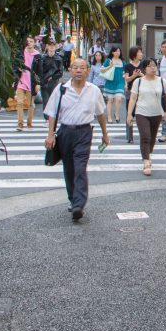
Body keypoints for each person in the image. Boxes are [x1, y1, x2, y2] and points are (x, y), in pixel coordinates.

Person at [43, 58, 109, 222]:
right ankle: (73, 200)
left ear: (88, 71)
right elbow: (52, 113)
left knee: (80, 166)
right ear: (70, 70)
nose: (79, 70)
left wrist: (104, 133)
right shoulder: (61, 89)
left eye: (82, 68)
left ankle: (79, 203)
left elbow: (100, 114)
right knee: (69, 168)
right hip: (65, 131)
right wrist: (51, 135)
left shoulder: (94, 90)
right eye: (75, 67)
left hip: (84, 132)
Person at [127, 58, 166, 176]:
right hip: (141, 112)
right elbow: (132, 98)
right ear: (144, 69)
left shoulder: (162, 81)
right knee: (145, 136)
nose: (153, 68)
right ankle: (146, 162)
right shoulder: (139, 82)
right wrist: (129, 114)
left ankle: (147, 153)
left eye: (154, 66)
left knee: (152, 139)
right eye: (150, 66)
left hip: (157, 113)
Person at [14, 35, 39, 131]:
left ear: (34, 43)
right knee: (19, 103)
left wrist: (38, 83)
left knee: (30, 104)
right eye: (27, 41)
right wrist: (17, 69)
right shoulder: (20, 53)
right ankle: (20, 124)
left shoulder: (37, 55)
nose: (29, 43)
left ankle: (29, 123)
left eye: (31, 41)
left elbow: (39, 70)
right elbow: (14, 65)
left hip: (31, 82)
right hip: (21, 81)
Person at [123, 46, 147, 143]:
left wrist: (140, 74)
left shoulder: (144, 65)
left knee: (142, 114)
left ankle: (144, 135)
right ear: (134, 54)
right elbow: (127, 79)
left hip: (143, 92)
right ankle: (130, 136)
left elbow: (148, 77)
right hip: (131, 92)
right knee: (130, 114)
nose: (141, 54)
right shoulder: (128, 66)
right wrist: (134, 75)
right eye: (139, 52)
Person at [33, 39, 65, 109]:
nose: (51, 47)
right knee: (46, 102)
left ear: (56, 46)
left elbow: (60, 72)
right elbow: (39, 71)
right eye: (50, 45)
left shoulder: (58, 59)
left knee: (53, 102)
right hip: (44, 83)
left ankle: (51, 119)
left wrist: (52, 77)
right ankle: (47, 119)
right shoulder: (42, 58)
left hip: (53, 83)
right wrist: (39, 82)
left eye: (53, 45)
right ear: (47, 46)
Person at [102, 46, 126, 123]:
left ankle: (116, 114)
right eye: (116, 51)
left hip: (120, 82)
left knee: (119, 98)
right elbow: (102, 70)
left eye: (119, 51)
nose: (118, 52)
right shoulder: (108, 60)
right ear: (112, 52)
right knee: (110, 100)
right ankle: (109, 117)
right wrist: (110, 66)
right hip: (110, 82)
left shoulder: (123, 61)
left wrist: (126, 84)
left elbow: (125, 73)